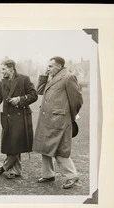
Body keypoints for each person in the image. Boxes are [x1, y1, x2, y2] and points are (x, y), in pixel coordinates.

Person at [33, 56, 83, 189]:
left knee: (60, 148)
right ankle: (48, 174)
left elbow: (77, 100)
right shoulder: (52, 77)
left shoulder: (68, 77)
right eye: (47, 66)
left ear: (59, 66)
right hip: (46, 119)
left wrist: (69, 116)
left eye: (50, 66)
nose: (48, 68)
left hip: (59, 120)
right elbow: (39, 91)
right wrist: (44, 75)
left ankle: (71, 176)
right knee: (45, 146)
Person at [0, 59, 38, 179]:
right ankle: (16, 170)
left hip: (21, 117)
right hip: (7, 117)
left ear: (11, 68)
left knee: (16, 143)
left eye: (3, 69)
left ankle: (5, 167)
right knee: (11, 144)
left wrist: (19, 99)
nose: (1, 71)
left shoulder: (24, 79)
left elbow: (34, 95)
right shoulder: (2, 83)